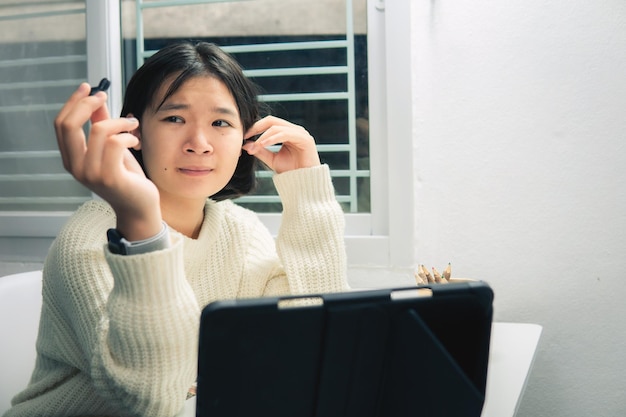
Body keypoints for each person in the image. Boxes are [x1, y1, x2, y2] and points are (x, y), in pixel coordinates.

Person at [4, 41, 348, 417]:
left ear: (245, 138)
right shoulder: (89, 242)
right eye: (174, 119)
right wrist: (142, 223)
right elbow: (153, 400)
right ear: (135, 133)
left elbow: (315, 342)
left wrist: (306, 193)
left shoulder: (241, 231)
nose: (199, 145)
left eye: (220, 123)